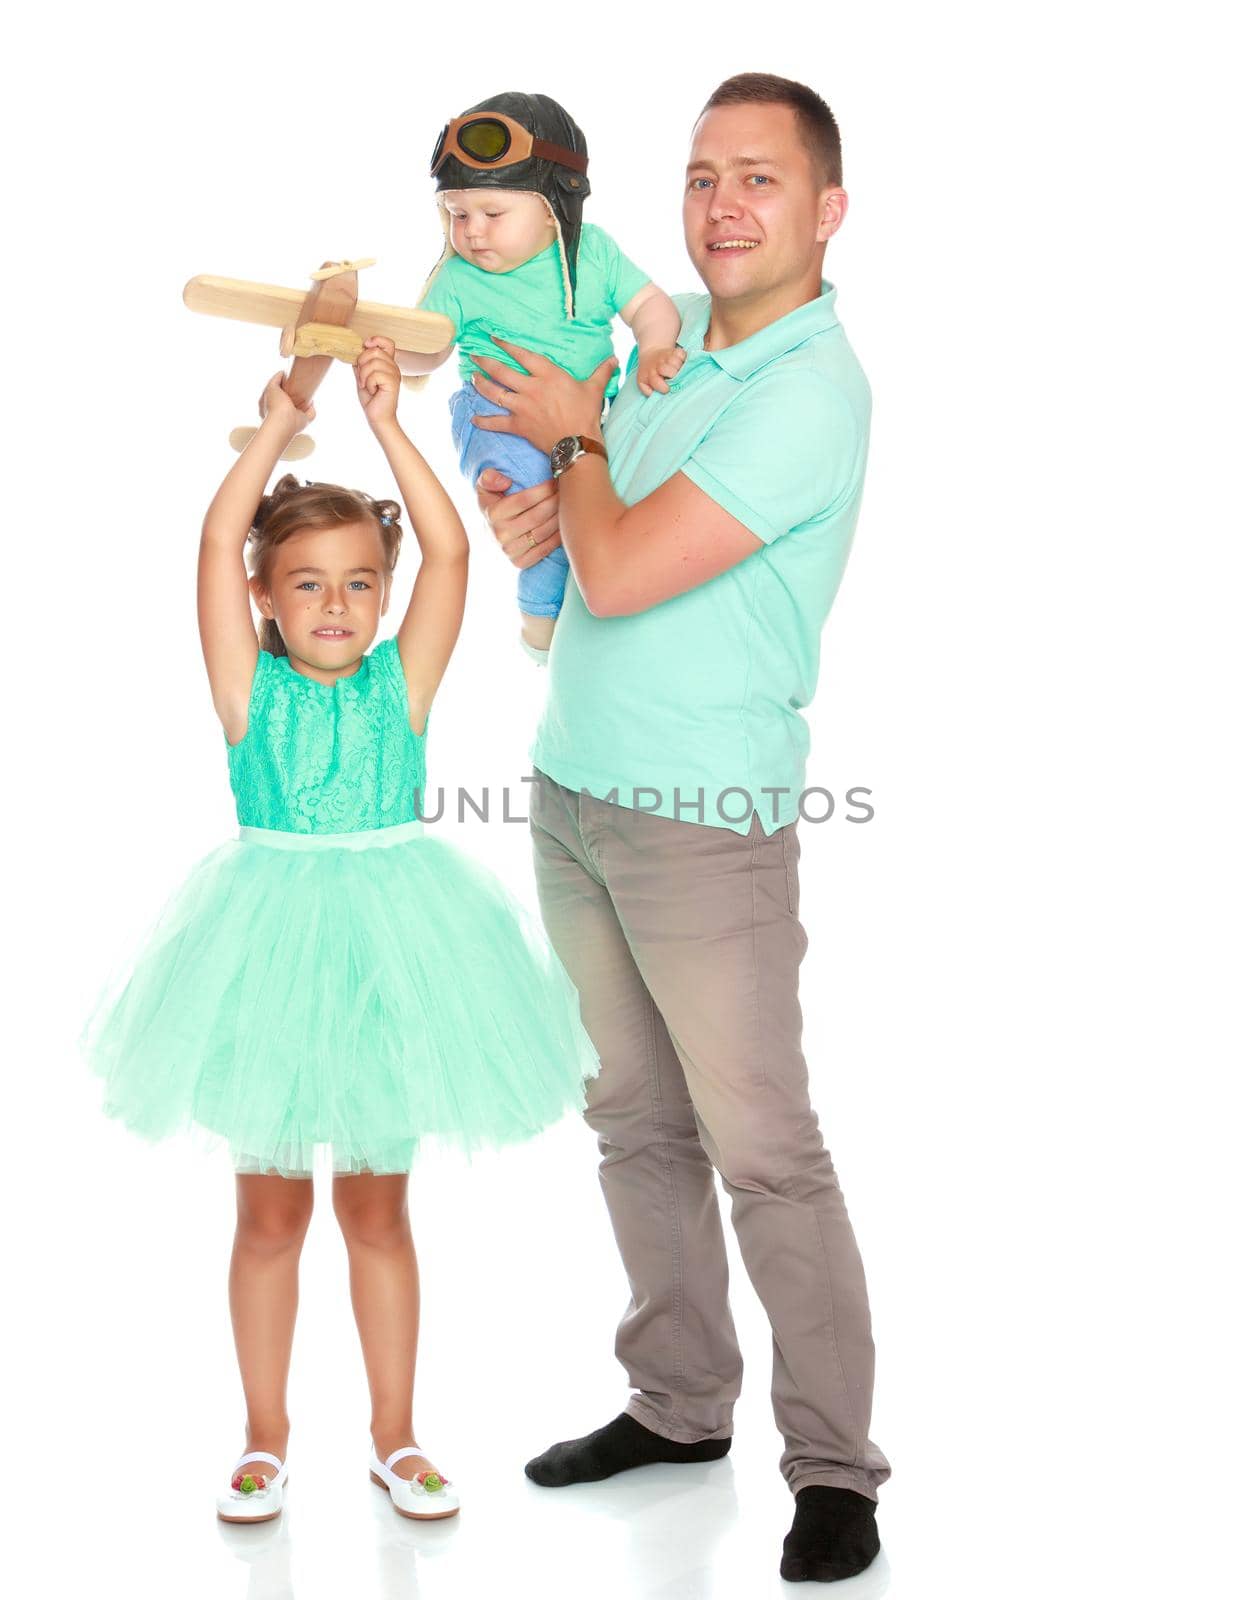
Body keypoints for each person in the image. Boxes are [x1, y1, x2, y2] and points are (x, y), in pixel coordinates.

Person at [468, 73, 891, 1584]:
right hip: (576, 789)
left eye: (761, 180)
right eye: (705, 175)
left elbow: (636, 568)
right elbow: (591, 548)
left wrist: (580, 452)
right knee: (634, 1126)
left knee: (764, 1148)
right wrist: (549, 506)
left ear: (826, 209)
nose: (723, 203)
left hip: (705, 827)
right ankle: (677, 1405)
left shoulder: (807, 393)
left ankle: (837, 1472)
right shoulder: (671, 362)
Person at [77, 337, 598, 1525]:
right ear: (265, 596)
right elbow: (215, 541)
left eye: (361, 581)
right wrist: (281, 419)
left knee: (377, 1208)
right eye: (306, 581)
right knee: (271, 1214)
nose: (337, 604)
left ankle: (395, 1435)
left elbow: (452, 551)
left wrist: (387, 422)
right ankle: (263, 1438)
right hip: (264, 951)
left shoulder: (397, 687)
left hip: (391, 952)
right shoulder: (244, 689)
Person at [396, 90, 685, 655]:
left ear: (554, 205)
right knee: (547, 508)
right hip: (495, 415)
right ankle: (541, 621)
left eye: (493, 213)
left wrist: (653, 349)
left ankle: (587, 604)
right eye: (458, 215)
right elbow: (427, 350)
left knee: (606, 499)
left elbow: (652, 306)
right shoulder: (457, 278)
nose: (473, 232)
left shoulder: (592, 253)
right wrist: (393, 351)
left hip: (586, 421)